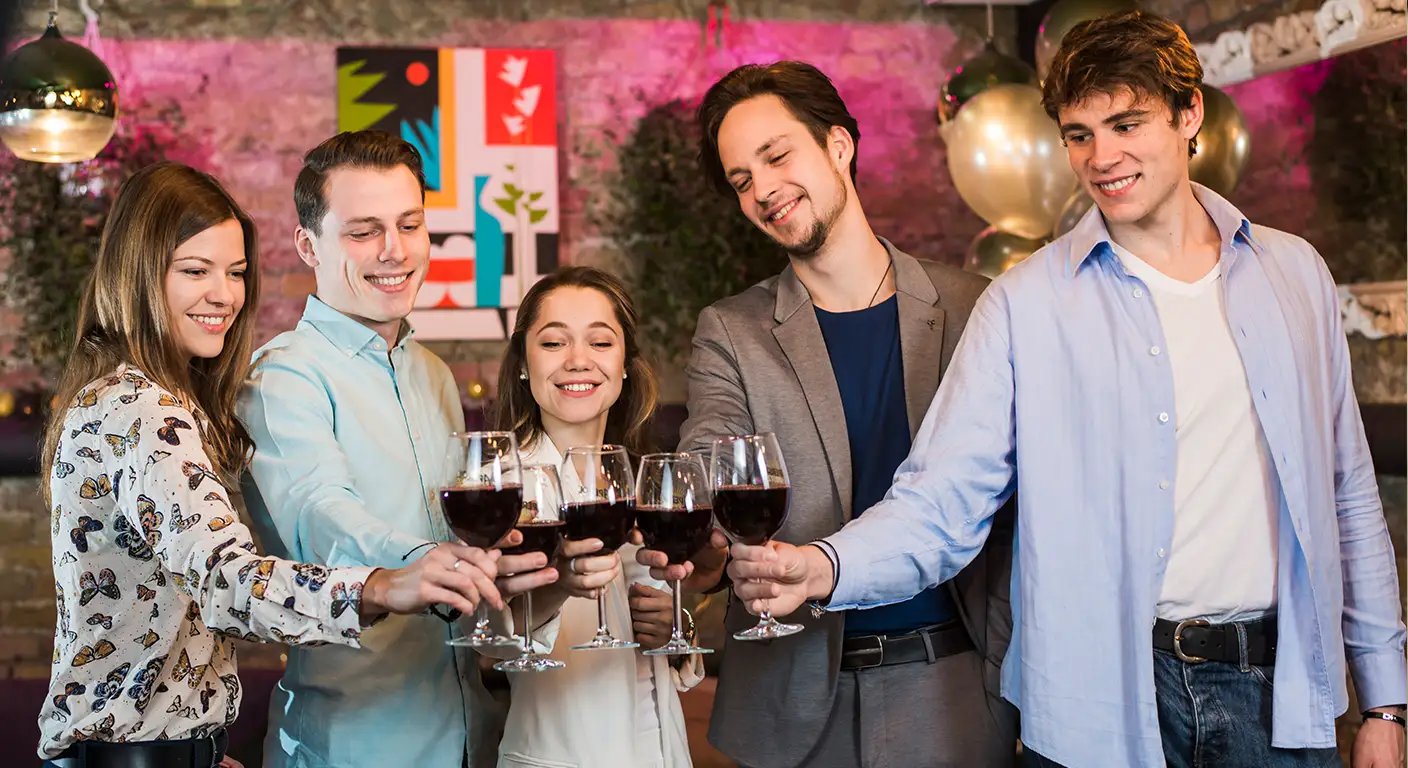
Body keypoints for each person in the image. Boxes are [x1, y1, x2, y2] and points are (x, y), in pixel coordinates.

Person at [725, 12, 1407, 768]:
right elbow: (940, 503)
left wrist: (1385, 701)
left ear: (1190, 115)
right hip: (1101, 707)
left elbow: (1348, 494)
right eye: (1079, 134)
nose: (1101, 157)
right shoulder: (1023, 305)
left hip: (1277, 697)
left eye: (1125, 124)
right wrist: (823, 568)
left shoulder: (1294, 274)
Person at [38, 161, 507, 767]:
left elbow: (166, 602)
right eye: (194, 271)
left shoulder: (133, 397)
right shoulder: (143, 410)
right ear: (137, 274)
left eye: (234, 272)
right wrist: (386, 584)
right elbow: (227, 581)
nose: (224, 295)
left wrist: (196, 750)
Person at [636, 61, 1018, 768]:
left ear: (838, 145)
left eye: (777, 155)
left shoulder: (974, 306)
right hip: (791, 699)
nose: (762, 190)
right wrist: (707, 548)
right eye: (741, 179)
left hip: (957, 689)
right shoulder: (732, 329)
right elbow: (708, 459)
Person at [237, 131, 568, 768]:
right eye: (363, 231)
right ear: (310, 245)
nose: (394, 250)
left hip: (475, 735)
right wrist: (430, 563)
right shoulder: (282, 375)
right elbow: (318, 515)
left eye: (409, 224)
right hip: (354, 744)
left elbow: (466, 526)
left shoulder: (434, 374)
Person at [490, 265, 703, 768]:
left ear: (626, 362)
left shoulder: (637, 477)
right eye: (553, 343)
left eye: (601, 343)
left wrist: (675, 631)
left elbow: (655, 653)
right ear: (523, 363)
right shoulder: (501, 486)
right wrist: (558, 583)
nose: (578, 361)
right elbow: (490, 638)